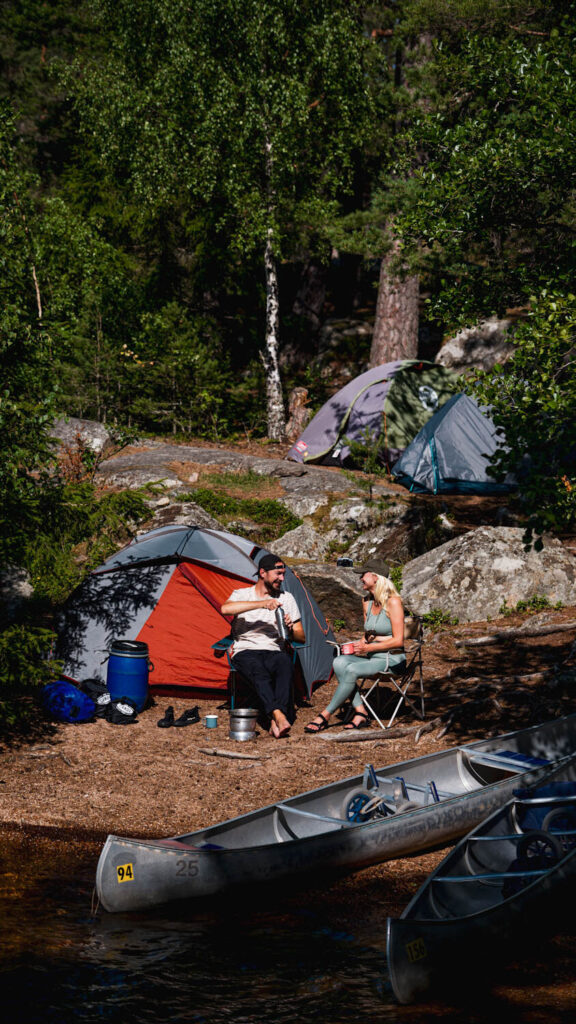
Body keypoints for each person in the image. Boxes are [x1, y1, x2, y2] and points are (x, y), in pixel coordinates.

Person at [305, 559, 405, 733]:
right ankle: (360, 712)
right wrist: (358, 644)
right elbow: (368, 636)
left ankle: (325, 714)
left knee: (351, 670)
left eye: (363, 575)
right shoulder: (366, 601)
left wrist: (370, 647)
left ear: (375, 577)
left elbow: (398, 641)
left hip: (391, 658)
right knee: (339, 662)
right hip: (372, 657)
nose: (360, 579)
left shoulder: (393, 602)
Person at [220, 554, 305, 739]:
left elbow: (302, 636)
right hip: (245, 650)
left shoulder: (287, 598)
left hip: (274, 649)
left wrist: (290, 629)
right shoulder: (242, 594)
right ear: (262, 573)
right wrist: (263, 604)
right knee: (258, 670)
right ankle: (278, 714)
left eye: (284, 574)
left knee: (284, 665)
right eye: (278, 574)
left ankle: (276, 719)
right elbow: (225, 609)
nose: (282, 579)